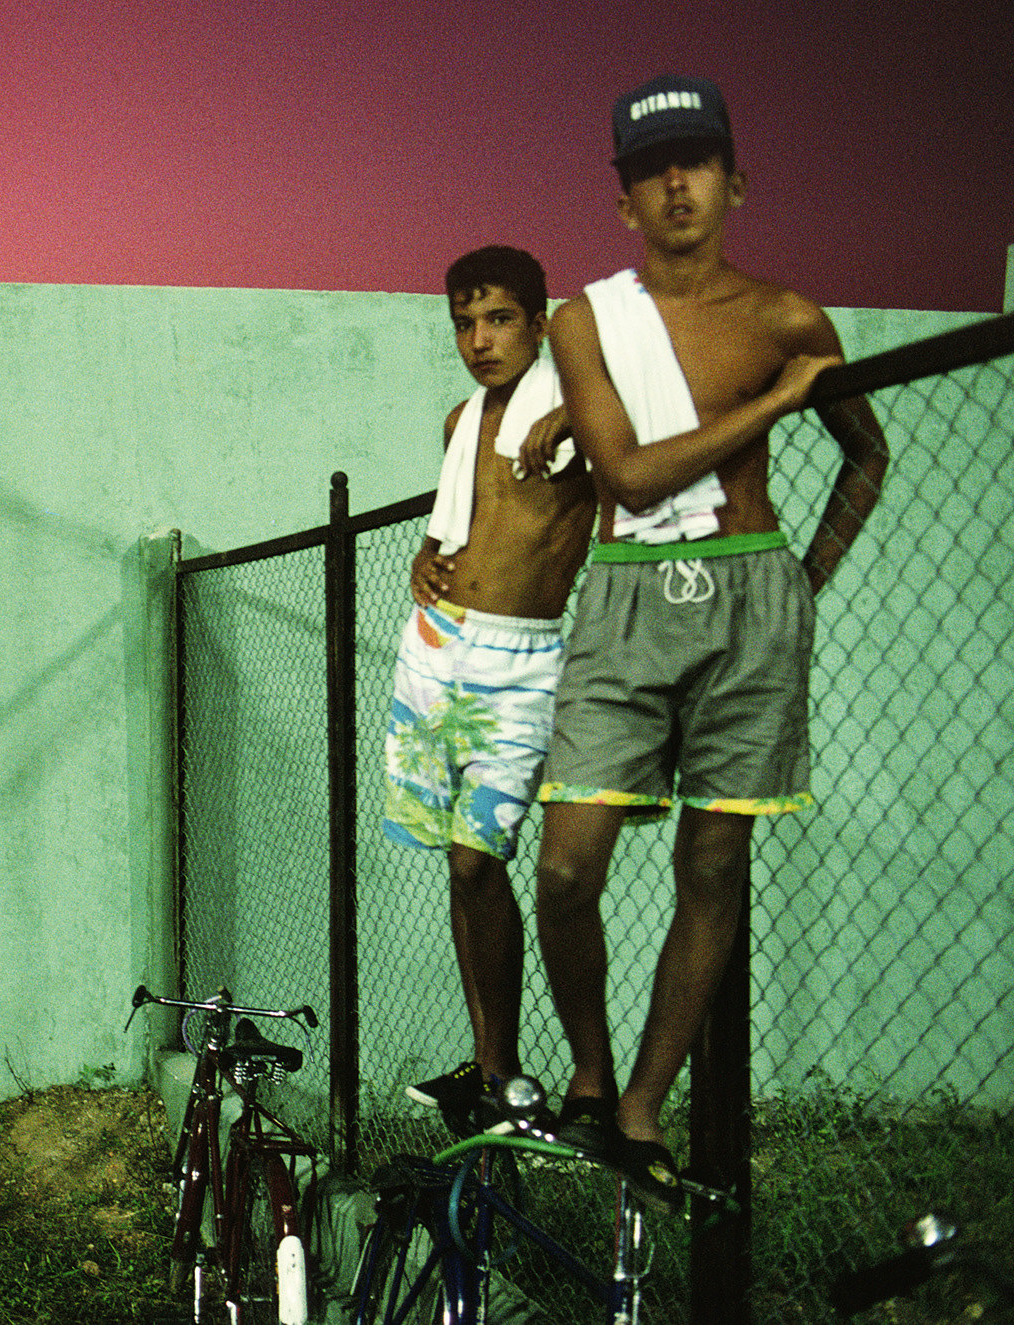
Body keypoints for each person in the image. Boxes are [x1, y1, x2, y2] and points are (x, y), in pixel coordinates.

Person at [533, 75, 888, 1205]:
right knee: (565, 859)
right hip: (628, 594)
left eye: (693, 160)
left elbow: (864, 453)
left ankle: (641, 1103)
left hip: (751, 599)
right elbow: (628, 477)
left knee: (713, 859)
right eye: (649, 168)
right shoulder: (583, 321)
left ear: (733, 179)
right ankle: (587, 1070)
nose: (674, 182)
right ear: (622, 199)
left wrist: (803, 579)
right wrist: (773, 403)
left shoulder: (789, 319)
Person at [382, 246, 596, 1135]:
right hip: (437, 651)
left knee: (481, 855)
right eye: (464, 324)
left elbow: (649, 407)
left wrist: (584, 404)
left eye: (499, 318)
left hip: (522, 663)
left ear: (540, 323)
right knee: (454, 862)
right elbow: (457, 525)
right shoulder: (459, 419)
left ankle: (558, 1072)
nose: (479, 339)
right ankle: (491, 1064)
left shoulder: (583, 406)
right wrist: (427, 556)